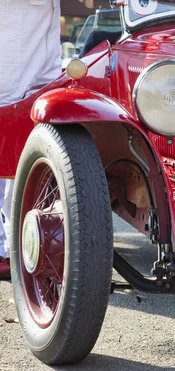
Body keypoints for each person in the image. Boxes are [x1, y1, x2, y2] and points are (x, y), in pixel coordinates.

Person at [0, 0, 62, 279]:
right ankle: (6, 247)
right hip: (13, 50)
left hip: (42, 52)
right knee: (8, 143)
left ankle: (21, 242)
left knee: (32, 140)